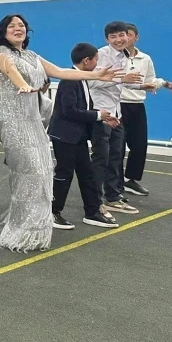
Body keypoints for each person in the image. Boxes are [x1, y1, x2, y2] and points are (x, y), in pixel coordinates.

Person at [0, 16, 120, 252]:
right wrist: (21, 84)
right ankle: (19, 231)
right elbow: (10, 69)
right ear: (3, 32)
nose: (18, 29)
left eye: (21, 25)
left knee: (43, 172)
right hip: (13, 122)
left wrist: (96, 75)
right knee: (30, 173)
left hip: (33, 121)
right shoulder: (1, 54)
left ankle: (33, 231)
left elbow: (60, 71)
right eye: (12, 26)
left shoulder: (32, 56)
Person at [48, 43, 120, 230]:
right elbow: (69, 111)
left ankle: (92, 212)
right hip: (64, 136)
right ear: (86, 61)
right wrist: (98, 115)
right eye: (96, 59)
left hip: (77, 135)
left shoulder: (82, 79)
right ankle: (52, 212)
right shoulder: (70, 80)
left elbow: (85, 106)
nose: (97, 64)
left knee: (87, 174)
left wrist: (103, 117)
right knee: (64, 174)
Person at [88, 22, 145, 216]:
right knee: (100, 158)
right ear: (107, 39)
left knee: (116, 157)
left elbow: (121, 83)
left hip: (116, 113)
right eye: (113, 37)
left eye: (121, 35)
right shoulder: (101, 55)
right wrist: (122, 79)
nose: (119, 40)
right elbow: (91, 82)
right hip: (102, 114)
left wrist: (142, 86)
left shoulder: (124, 56)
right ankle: (95, 202)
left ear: (128, 36)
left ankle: (112, 197)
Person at [120, 24, 172, 197]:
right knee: (117, 146)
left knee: (139, 145)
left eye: (129, 35)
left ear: (136, 37)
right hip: (118, 104)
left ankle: (130, 180)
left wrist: (164, 83)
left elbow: (150, 79)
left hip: (137, 105)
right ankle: (113, 181)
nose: (125, 38)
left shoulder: (145, 59)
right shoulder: (115, 57)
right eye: (123, 35)